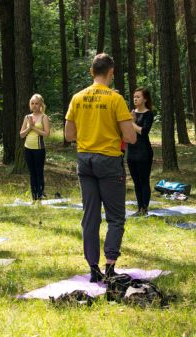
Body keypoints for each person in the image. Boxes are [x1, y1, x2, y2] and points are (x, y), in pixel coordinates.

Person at [65, 53, 136, 282]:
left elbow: (69, 134)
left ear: (91, 72)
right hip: (109, 160)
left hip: (85, 160)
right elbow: (130, 137)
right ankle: (111, 265)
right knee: (115, 217)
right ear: (111, 73)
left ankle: (93, 267)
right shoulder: (115, 100)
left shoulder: (77, 98)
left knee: (90, 216)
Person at [127, 87, 154, 216]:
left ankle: (145, 208)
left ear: (145, 99)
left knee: (144, 180)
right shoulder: (131, 113)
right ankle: (139, 208)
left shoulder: (149, 114)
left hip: (144, 152)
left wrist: (132, 122)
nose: (135, 99)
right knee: (136, 181)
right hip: (131, 151)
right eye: (134, 97)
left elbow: (143, 132)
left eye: (138, 96)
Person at [19, 94, 50, 201]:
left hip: (39, 149)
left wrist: (33, 127)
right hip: (28, 148)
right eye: (32, 103)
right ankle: (34, 196)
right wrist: (29, 128)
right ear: (30, 105)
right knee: (32, 172)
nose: (34, 106)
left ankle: (40, 194)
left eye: (37, 103)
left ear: (41, 104)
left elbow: (46, 134)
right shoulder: (27, 117)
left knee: (39, 171)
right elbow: (21, 134)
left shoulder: (44, 117)